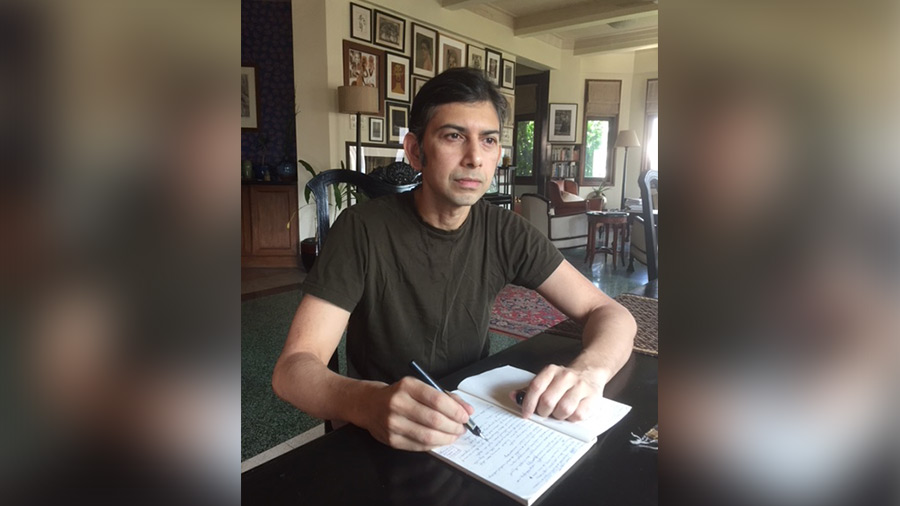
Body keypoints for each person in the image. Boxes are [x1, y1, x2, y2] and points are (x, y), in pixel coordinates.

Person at [272, 67, 636, 452]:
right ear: (416, 151)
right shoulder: (362, 229)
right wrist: (367, 402)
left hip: (470, 422)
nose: (475, 157)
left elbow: (609, 313)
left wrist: (589, 373)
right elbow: (293, 369)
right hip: (378, 438)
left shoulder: (504, 231)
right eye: (453, 136)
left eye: (489, 140)